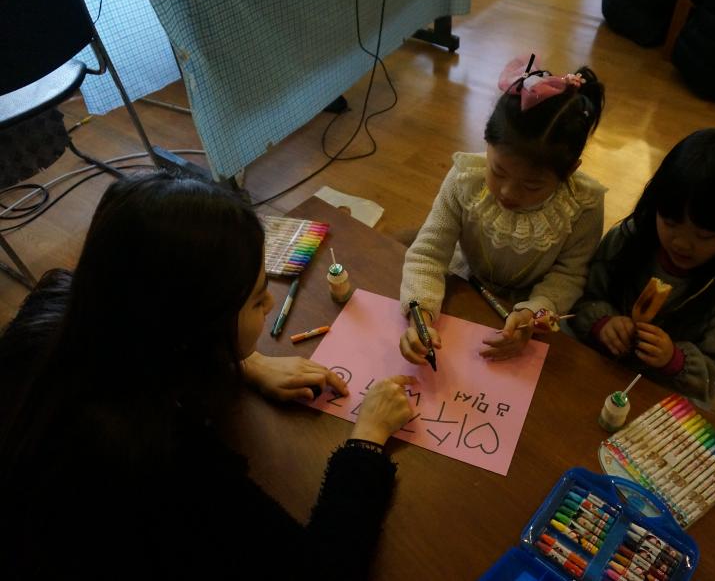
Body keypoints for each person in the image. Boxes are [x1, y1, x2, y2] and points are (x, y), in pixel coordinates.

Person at [0, 172, 413, 579]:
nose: (271, 303)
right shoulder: (165, 466)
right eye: (257, 299)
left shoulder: (62, 308)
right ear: (200, 328)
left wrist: (247, 362)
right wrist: (367, 440)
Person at [399, 54, 606, 363]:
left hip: (530, 304)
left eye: (532, 186)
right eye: (497, 171)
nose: (508, 192)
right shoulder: (466, 179)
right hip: (463, 283)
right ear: (487, 143)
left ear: (569, 172)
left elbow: (569, 275)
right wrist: (421, 315)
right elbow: (428, 252)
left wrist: (533, 312)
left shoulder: (582, 205)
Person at [569, 128, 715, 402]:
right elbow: (581, 297)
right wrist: (602, 323)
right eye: (670, 222)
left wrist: (675, 360)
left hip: (665, 393)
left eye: (704, 236)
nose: (681, 244)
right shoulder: (627, 239)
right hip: (599, 363)